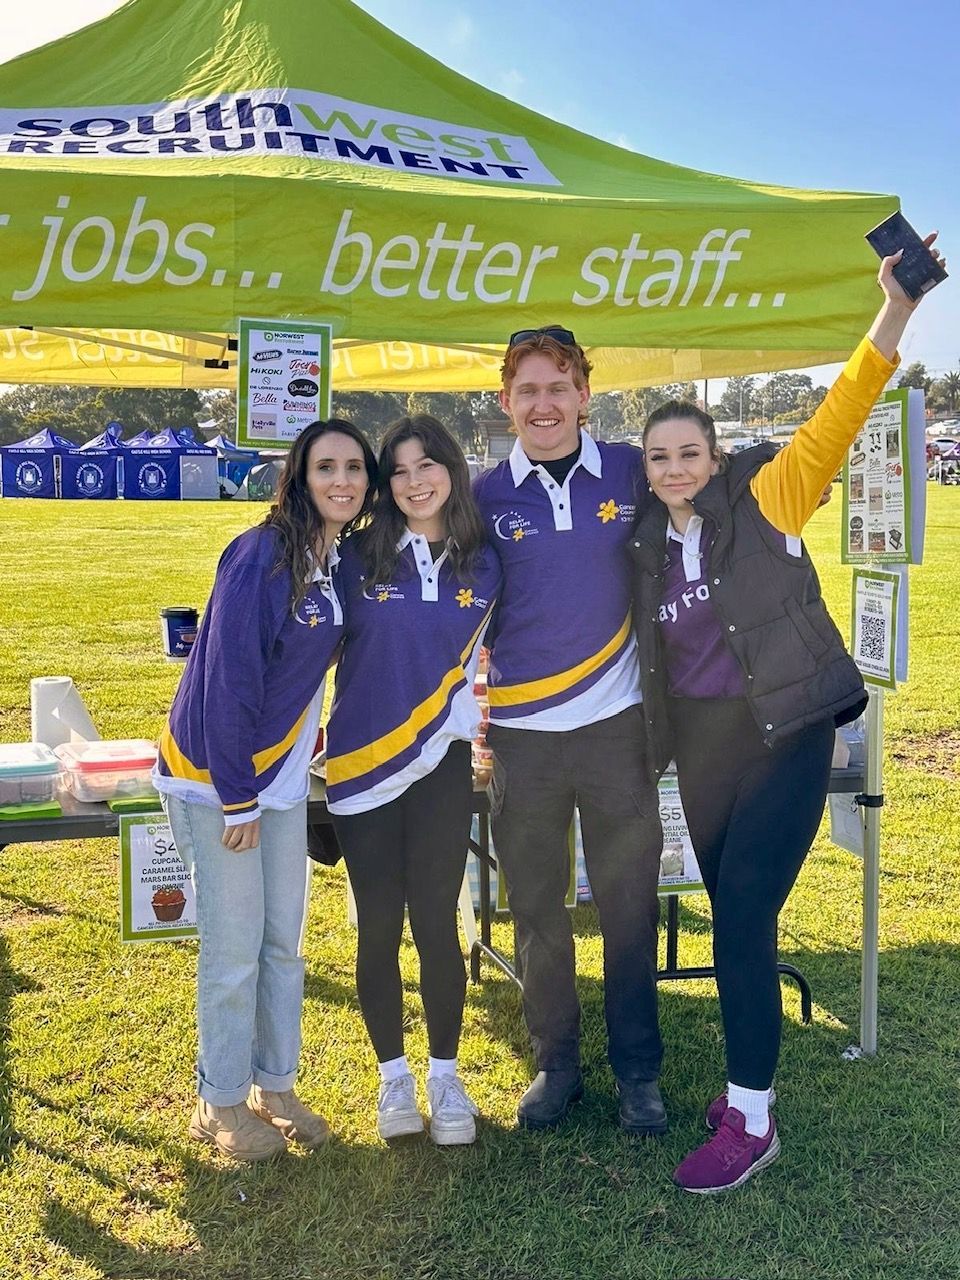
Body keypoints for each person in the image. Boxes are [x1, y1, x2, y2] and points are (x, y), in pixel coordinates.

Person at [629, 236, 944, 1193]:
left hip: (787, 738)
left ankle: (753, 1121)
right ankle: (745, 1089)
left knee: (741, 917)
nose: (675, 468)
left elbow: (841, 412)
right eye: (658, 457)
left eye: (689, 453)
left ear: (715, 455)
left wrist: (895, 308)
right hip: (705, 752)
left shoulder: (769, 497)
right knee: (737, 919)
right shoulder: (643, 544)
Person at [154, 419, 377, 1162]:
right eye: (326, 467)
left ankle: (275, 1087)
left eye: (354, 467)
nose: (341, 480)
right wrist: (237, 796)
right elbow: (227, 678)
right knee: (233, 949)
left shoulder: (335, 560)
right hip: (218, 782)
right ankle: (217, 1103)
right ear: (300, 477)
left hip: (279, 782)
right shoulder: (261, 554)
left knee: (283, 942)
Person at [473, 327, 665, 1134]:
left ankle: (638, 1070)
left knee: (628, 906)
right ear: (506, 401)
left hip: (617, 732)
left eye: (559, 387)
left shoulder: (631, 469)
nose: (544, 404)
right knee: (537, 911)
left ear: (586, 394)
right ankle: (556, 1062)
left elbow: (713, 488)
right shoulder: (481, 496)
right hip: (522, 740)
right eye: (528, 390)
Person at [325, 415, 501, 1145]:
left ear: (452, 470)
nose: (414, 481)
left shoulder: (486, 561)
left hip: (440, 766)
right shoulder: (354, 555)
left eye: (427, 464)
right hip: (361, 766)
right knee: (378, 926)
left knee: (435, 923)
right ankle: (392, 1080)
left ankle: (445, 1077)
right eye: (398, 470)